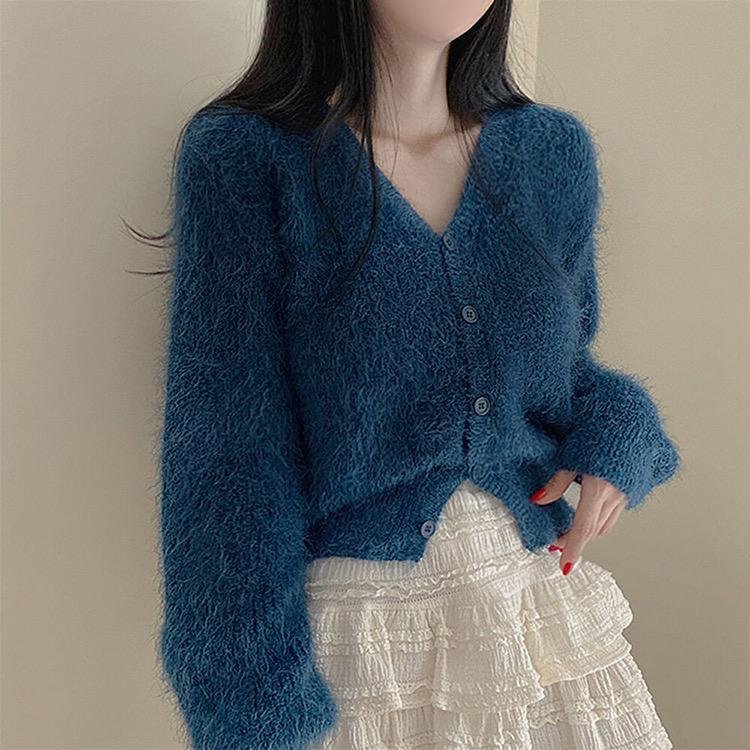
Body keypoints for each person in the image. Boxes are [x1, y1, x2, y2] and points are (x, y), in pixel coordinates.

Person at [154, 1, 682, 748]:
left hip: (535, 624)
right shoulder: (248, 159)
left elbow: (563, 378)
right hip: (365, 647)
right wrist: (251, 709)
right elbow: (227, 451)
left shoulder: (551, 153)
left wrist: (622, 433)